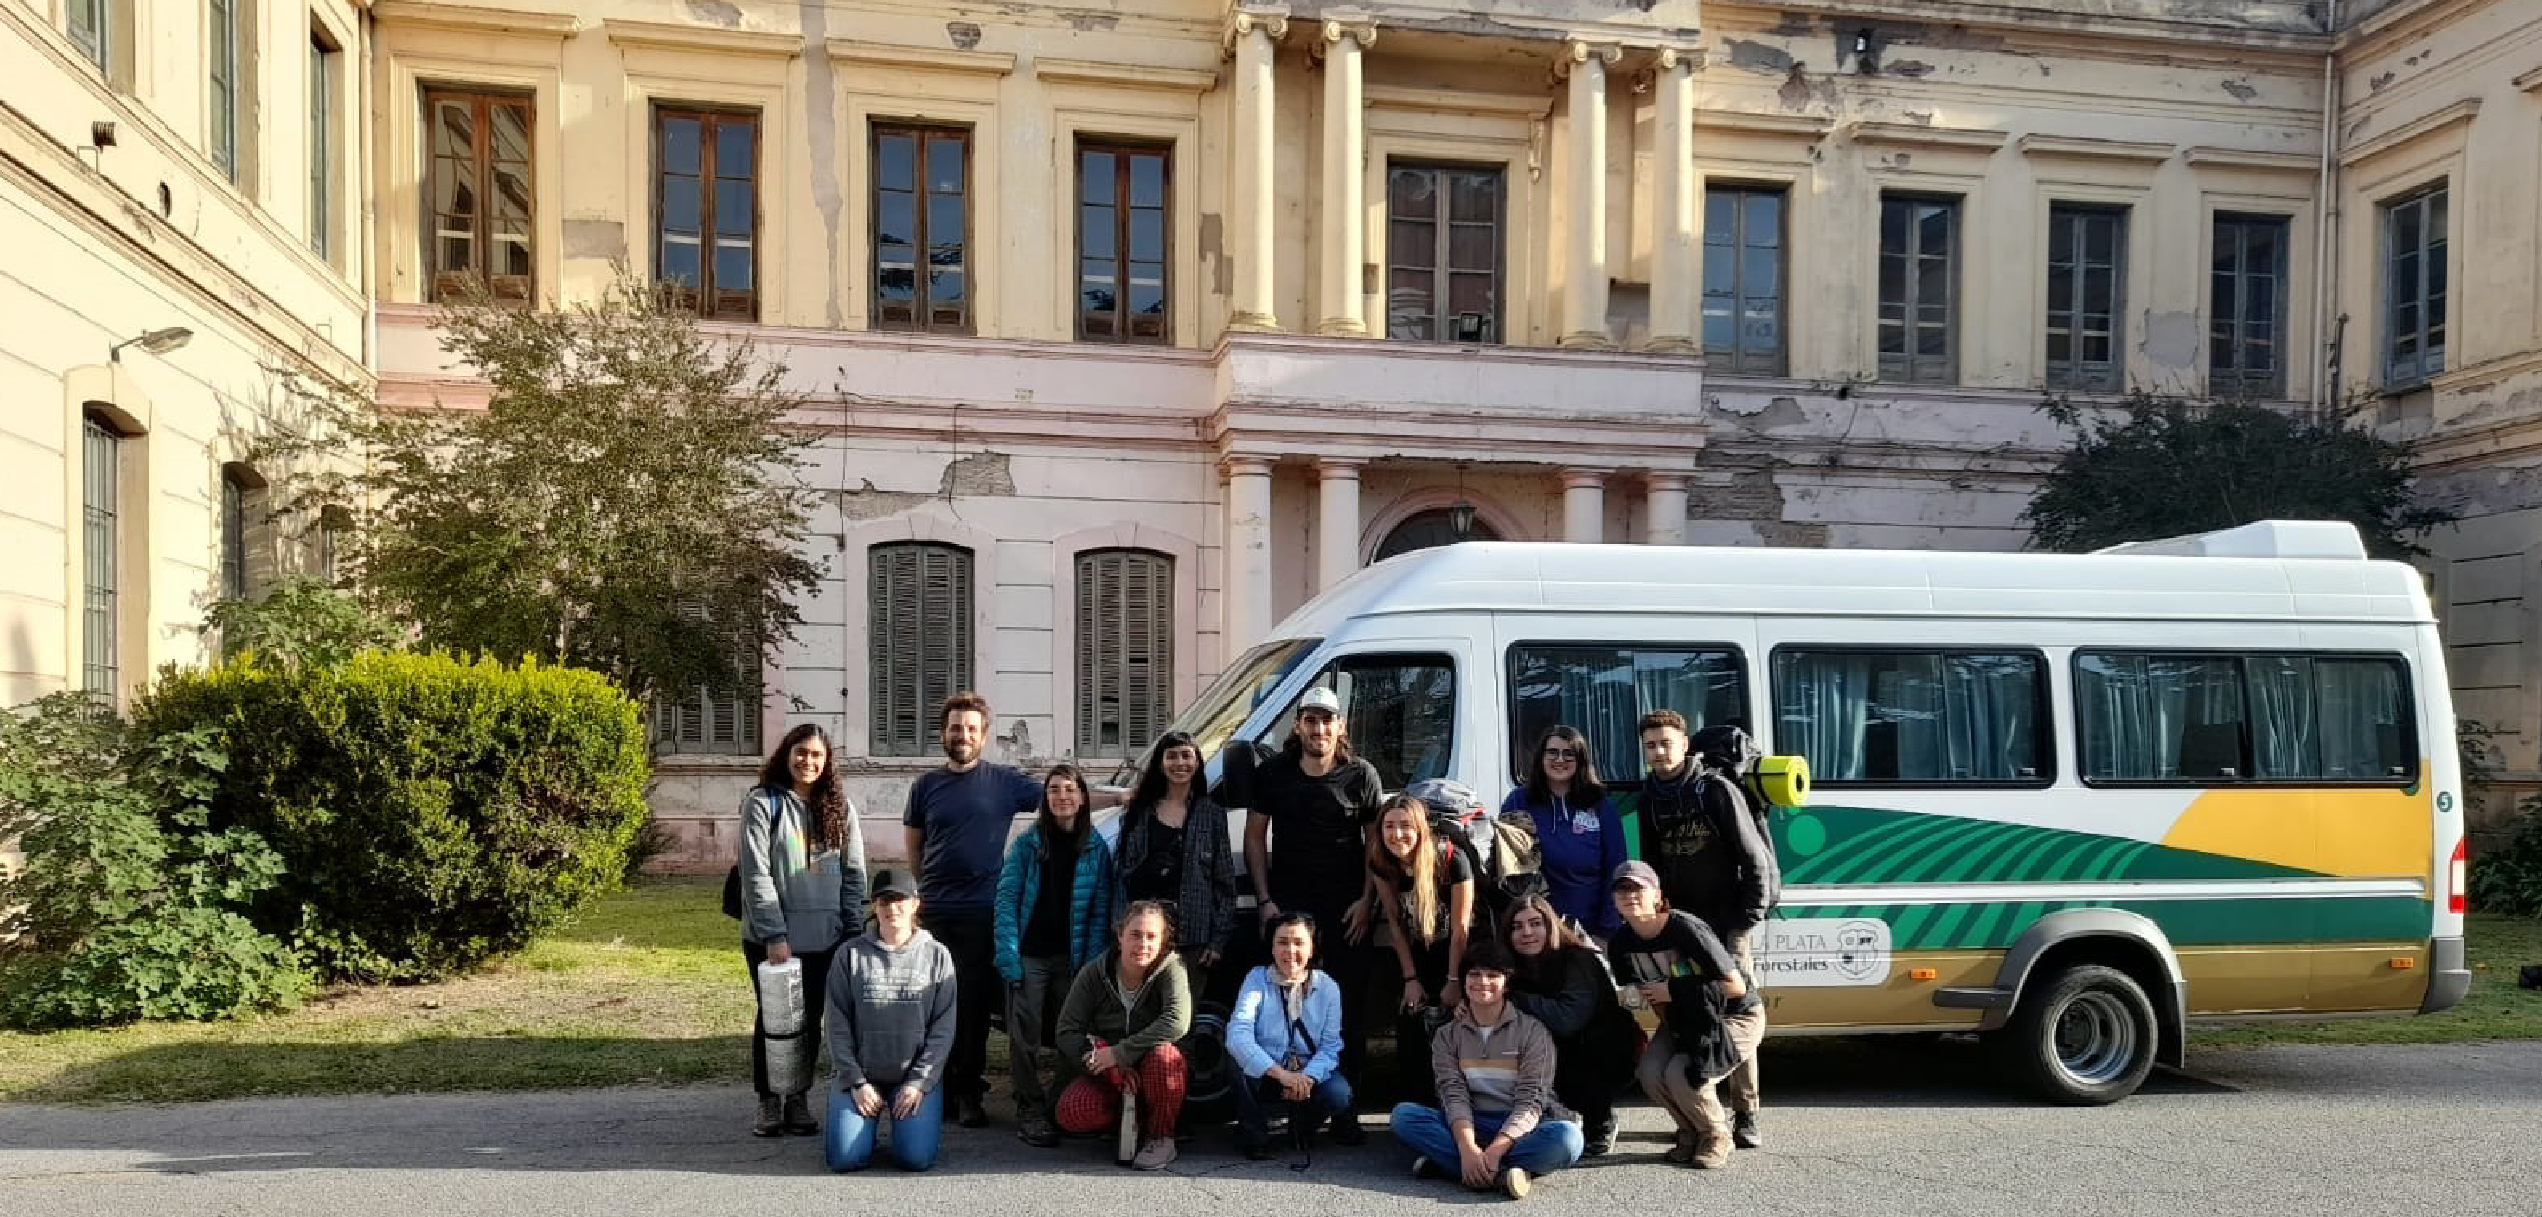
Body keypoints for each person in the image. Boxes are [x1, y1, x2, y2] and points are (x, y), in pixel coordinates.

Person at [904, 691, 1117, 1128]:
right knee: (929, 1005)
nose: (962, 735)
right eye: (954, 728)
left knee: (973, 1007)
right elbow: (914, 844)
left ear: (983, 737)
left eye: (971, 729)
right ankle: (931, 1089)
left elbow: (1065, 796)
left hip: (982, 914)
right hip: (935, 914)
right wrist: (922, 891)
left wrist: (1127, 795)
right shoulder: (925, 786)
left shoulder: (1004, 782)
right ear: (943, 733)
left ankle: (968, 1091)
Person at [1241, 685, 1385, 1142]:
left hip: (1346, 912)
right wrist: (1265, 901)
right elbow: (1254, 838)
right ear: (1297, 725)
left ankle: (1344, 1108)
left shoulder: (1361, 775)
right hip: (1290, 911)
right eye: (1310, 720)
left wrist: (1367, 902)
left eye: (1327, 720)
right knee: (1282, 1008)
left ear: (1340, 726)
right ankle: (1281, 1100)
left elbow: (1375, 847)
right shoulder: (1274, 774)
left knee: (1348, 1014)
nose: (1319, 728)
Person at [1631, 709, 1776, 1149]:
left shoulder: (1716, 790)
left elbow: (1754, 861)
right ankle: (1700, 1110)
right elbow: (1653, 867)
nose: (1658, 752)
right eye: (1651, 745)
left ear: (1685, 745)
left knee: (1736, 1012)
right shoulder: (1648, 799)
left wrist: (1742, 925)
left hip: (1726, 925)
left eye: (1665, 743)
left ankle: (1746, 1112)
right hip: (1681, 930)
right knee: (1692, 1012)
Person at [737, 724, 868, 1138]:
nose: (807, 761)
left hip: (826, 937)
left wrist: (851, 931)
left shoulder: (840, 809)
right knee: (775, 1020)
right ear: (786, 754)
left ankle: (797, 1098)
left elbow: (854, 875)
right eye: (800, 752)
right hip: (773, 939)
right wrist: (774, 935)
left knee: (810, 1019)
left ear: (827, 762)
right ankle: (768, 1101)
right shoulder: (763, 804)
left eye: (816, 755)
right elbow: (755, 874)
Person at [1387, 940, 1585, 1201]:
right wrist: (1468, 1147)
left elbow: (1532, 1100)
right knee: (1404, 1116)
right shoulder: (1447, 1035)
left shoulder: (1533, 1031)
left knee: (1568, 1139)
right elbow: (1452, 1094)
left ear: (1507, 982)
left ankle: (1457, 1167)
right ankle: (1503, 1175)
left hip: (1519, 1126)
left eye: (1493, 975)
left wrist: (1493, 1151)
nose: (1483, 982)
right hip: (1472, 1122)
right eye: (1474, 974)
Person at [1605, 860, 1765, 1170]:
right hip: (1681, 1019)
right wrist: (1675, 1032)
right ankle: (1691, 1131)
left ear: (1657, 894)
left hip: (1733, 1016)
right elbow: (1650, 997)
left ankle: (1717, 1135)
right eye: (1621, 889)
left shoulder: (1685, 927)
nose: (1630, 895)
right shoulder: (1621, 944)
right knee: (1651, 1072)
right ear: (1613, 900)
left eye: (1638, 888)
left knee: (1683, 1072)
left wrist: (1676, 991)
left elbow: (1735, 987)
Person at [994, 764, 1119, 1147]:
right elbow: (1007, 899)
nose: (1062, 796)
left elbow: (1100, 910)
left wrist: (1093, 963)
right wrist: (1008, 955)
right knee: (1024, 1035)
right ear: (1046, 799)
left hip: (1073, 958)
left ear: (1082, 797)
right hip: (1029, 955)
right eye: (1054, 790)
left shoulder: (1096, 848)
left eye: (1070, 789)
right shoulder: (1029, 844)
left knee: (1073, 1035)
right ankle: (1029, 1108)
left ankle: (1059, 1103)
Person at [822, 870, 957, 1172]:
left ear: (915, 905)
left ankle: (906, 1128)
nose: (892, 907)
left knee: (915, 1159)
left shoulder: (937, 956)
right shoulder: (850, 955)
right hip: (862, 1076)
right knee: (845, 1158)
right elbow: (837, 1024)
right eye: (884, 900)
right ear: (874, 906)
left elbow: (943, 1028)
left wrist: (920, 1082)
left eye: (900, 899)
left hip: (912, 1078)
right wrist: (856, 1081)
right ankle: (859, 1129)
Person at [1053, 901, 1194, 1170]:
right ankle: (1128, 1120)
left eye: (1152, 936)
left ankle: (1161, 1137)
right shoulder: (1093, 973)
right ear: (1120, 936)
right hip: (1106, 1067)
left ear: (1164, 941)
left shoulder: (1172, 969)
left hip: (1151, 1064)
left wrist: (1121, 1053)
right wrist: (1107, 1065)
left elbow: (1177, 1021)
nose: (1143, 944)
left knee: (1164, 1057)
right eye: (1135, 935)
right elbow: (1066, 1031)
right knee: (1071, 1113)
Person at [1502, 893, 1636, 1157]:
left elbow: (1568, 1019)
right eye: (1517, 927)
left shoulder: (1577, 959)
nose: (1527, 932)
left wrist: (1514, 998)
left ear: (1551, 925)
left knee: (1577, 1052)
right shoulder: (1512, 966)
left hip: (1601, 1051)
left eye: (1535, 923)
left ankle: (1601, 1122)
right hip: (1555, 1046)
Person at [1113, 730, 1238, 1001]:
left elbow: (1225, 885)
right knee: (1141, 1013)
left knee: (1181, 1019)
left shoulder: (1212, 815)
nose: (1179, 763)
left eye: (1186, 756)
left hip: (1193, 936)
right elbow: (1122, 876)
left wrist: (1218, 942)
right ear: (1160, 763)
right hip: (1143, 936)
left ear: (1197, 763)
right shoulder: (1139, 811)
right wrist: (1120, 930)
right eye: (1171, 756)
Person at [1368, 792, 1475, 1104]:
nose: (1397, 834)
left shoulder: (1451, 859)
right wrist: (1410, 979)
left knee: (1454, 1024)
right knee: (1411, 1020)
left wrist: (1454, 981)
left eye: (1405, 826)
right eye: (1389, 826)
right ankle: (1416, 1104)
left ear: (1420, 829)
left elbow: (1461, 929)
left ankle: (1459, 1104)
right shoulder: (1381, 861)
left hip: (1457, 952)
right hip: (1416, 951)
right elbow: (1395, 923)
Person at [1224, 911, 1353, 1160]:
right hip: (1268, 1069)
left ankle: (1302, 1127)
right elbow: (1238, 1034)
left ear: (1312, 949)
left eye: (1298, 943)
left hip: (1306, 1070)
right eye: (1282, 942)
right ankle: (1255, 1137)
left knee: (1339, 1093)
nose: (1290, 951)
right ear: (1272, 948)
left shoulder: (1328, 988)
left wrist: (1306, 1078)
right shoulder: (1256, 979)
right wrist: (1280, 1074)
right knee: (1236, 1061)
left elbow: (1330, 1047)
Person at [1501, 726, 1626, 938]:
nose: (1560, 760)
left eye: (1569, 754)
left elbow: (1616, 867)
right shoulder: (1519, 801)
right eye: (1552, 752)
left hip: (1589, 929)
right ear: (1541, 756)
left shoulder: (1600, 805)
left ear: (1581, 760)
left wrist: (1606, 930)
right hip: (1535, 931)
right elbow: (1505, 868)